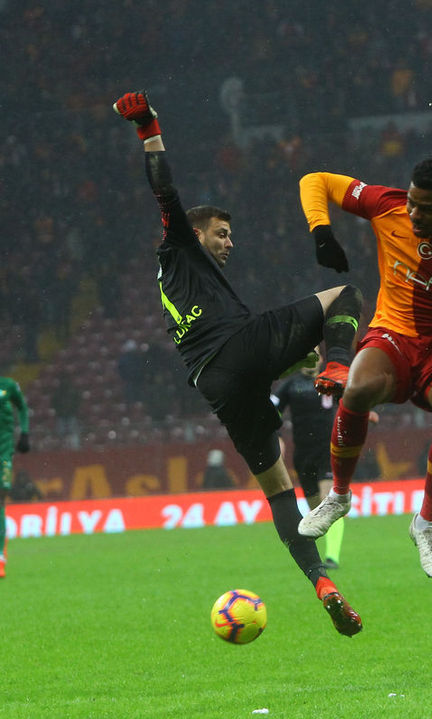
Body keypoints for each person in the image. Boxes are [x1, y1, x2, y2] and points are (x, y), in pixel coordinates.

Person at [113, 91, 363, 636]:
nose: (231, 243)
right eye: (222, 234)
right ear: (197, 232)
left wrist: (294, 361)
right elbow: (165, 190)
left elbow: (242, 363)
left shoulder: (182, 278)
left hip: (216, 382)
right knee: (345, 295)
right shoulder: (179, 244)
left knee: (278, 489)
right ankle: (339, 366)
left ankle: (321, 581)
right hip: (238, 345)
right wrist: (149, 129)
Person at [296, 160, 432, 581]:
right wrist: (321, 231)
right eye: (412, 202)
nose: (414, 214)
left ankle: (426, 523)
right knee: (356, 387)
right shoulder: (389, 205)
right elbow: (316, 181)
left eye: (426, 209)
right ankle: (339, 497)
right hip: (394, 333)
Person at [272, 348, 379, 569]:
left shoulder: (330, 381)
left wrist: (364, 413)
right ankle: (323, 554)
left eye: (314, 353)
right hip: (303, 454)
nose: (310, 358)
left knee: (327, 500)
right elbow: (272, 412)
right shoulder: (290, 385)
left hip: (328, 450)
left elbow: (351, 399)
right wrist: (278, 436)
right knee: (317, 509)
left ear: (320, 358)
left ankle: (332, 558)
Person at [0, 376, 30, 578]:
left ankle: (0, 557)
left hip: (3, 454)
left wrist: (25, 433)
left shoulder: (8, 386)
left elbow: (23, 408)